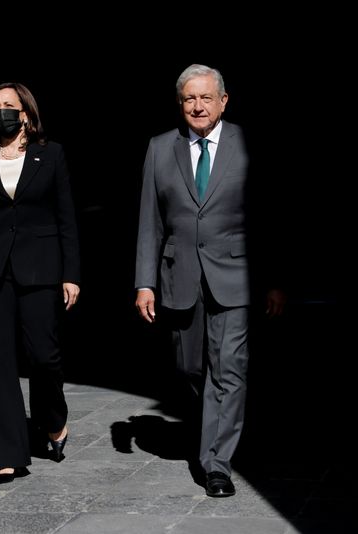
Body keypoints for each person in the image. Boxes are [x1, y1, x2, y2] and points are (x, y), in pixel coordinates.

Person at [134, 64, 285, 498]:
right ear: (180, 104)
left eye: (205, 98)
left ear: (223, 101)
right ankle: (215, 422)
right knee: (190, 367)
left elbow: (267, 219)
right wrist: (144, 282)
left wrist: (274, 280)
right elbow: (150, 220)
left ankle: (216, 462)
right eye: (189, 99)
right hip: (179, 276)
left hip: (235, 275)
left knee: (229, 368)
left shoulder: (246, 143)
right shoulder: (161, 148)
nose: (197, 106)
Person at [0, 82, 80, 484]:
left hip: (41, 268)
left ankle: (52, 417)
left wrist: (71, 274)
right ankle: (6, 454)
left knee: (43, 354)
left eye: (9, 105)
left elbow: (66, 218)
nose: (2, 111)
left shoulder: (52, 154)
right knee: (0, 361)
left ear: (26, 112)